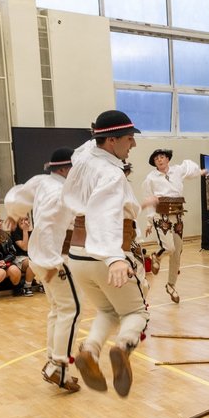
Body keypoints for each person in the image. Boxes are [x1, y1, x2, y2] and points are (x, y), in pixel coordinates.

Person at [62, 110, 150, 398]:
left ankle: (89, 350)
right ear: (111, 141)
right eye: (129, 138)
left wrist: (96, 134)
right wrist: (114, 257)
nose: (133, 144)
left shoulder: (85, 158)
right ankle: (123, 347)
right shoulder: (111, 173)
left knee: (107, 310)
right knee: (136, 312)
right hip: (103, 252)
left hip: (77, 255)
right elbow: (104, 214)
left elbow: (85, 146)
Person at [3, 147, 81, 393]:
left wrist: (13, 215)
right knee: (72, 309)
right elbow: (47, 226)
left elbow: (17, 197)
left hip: (42, 257)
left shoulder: (42, 182)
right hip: (54, 258)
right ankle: (60, 367)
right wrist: (52, 262)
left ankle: (53, 363)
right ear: (64, 169)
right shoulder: (61, 193)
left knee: (58, 310)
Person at [141, 148, 207, 304]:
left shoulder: (177, 170)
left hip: (177, 216)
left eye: (162, 157)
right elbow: (148, 198)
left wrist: (200, 171)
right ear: (154, 163)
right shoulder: (151, 178)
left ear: (167, 159)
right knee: (169, 248)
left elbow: (189, 169)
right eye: (156, 159)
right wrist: (149, 221)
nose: (160, 160)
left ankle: (171, 286)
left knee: (177, 252)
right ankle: (156, 256)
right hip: (161, 217)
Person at [9, 216, 38, 296]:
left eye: (26, 219)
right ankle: (27, 286)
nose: (24, 222)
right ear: (17, 222)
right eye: (21, 220)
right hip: (19, 258)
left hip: (31, 257)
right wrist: (25, 231)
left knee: (39, 261)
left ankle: (40, 282)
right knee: (32, 262)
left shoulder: (32, 231)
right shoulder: (15, 232)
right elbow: (24, 248)